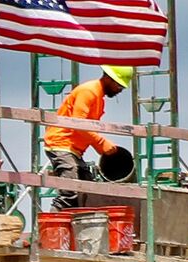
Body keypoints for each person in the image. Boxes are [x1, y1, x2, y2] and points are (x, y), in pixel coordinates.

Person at [43, 65, 134, 211]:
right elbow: (78, 123)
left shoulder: (98, 97)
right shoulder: (89, 91)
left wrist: (100, 145)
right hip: (61, 144)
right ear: (108, 78)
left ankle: (78, 230)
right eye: (119, 85)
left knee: (88, 192)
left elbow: (85, 128)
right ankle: (50, 231)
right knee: (69, 194)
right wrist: (101, 143)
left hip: (73, 150)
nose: (120, 89)